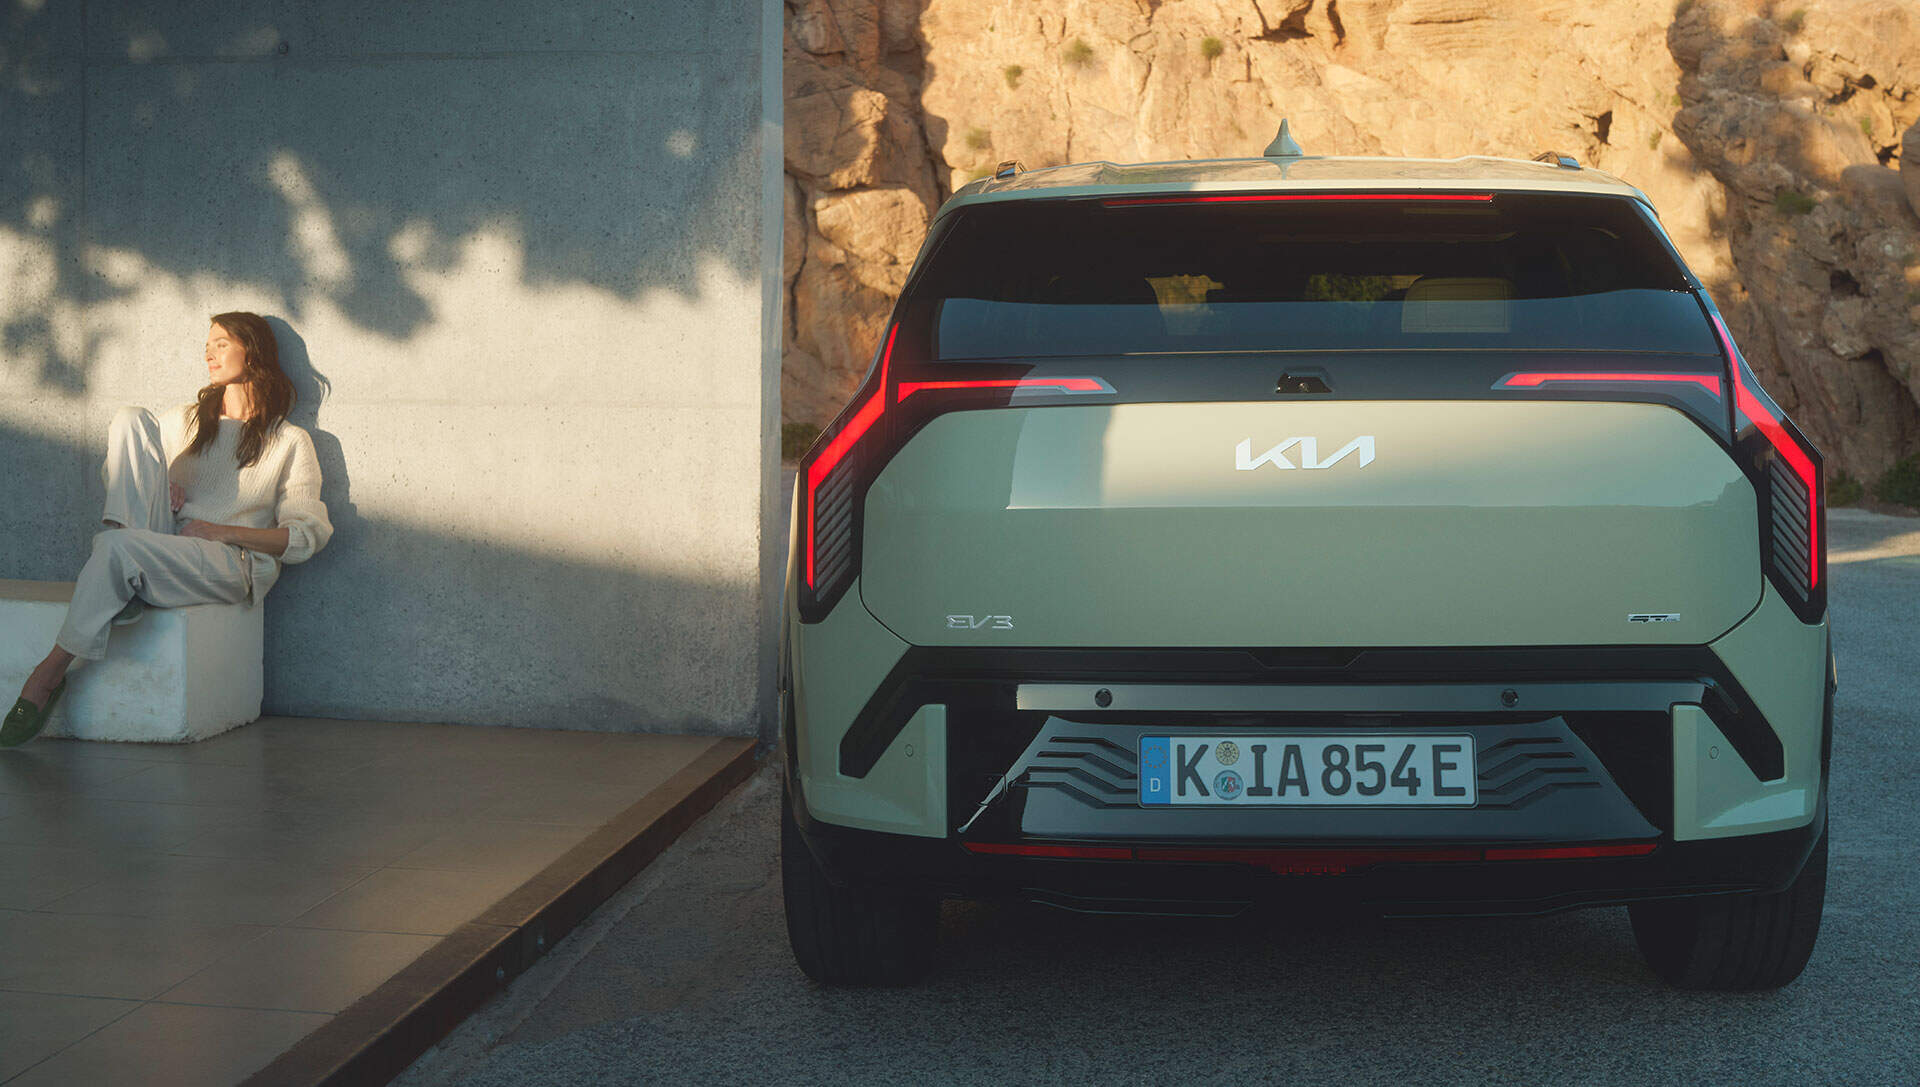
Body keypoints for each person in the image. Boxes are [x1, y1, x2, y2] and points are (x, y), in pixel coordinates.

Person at [2, 312, 333, 746]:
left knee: (116, 549)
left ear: (252, 353)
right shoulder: (188, 420)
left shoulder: (288, 440)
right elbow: (121, 469)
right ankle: (127, 579)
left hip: (230, 561)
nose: (208, 353)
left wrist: (223, 531)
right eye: (207, 344)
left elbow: (306, 536)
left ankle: (47, 674)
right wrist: (165, 484)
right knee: (130, 419)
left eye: (220, 343)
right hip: (165, 540)